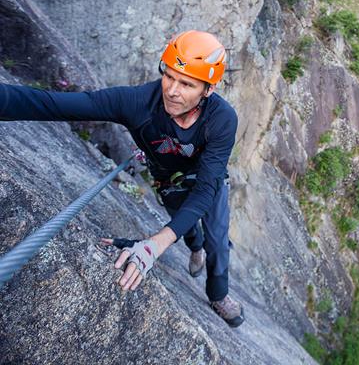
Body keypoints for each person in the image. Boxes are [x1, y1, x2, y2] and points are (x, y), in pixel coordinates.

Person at [0, 30, 244, 327]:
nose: (172, 91)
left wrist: (154, 246)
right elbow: (55, 104)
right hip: (169, 180)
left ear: (208, 89)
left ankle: (218, 294)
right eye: (168, 76)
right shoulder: (138, 103)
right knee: (187, 226)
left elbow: (206, 189)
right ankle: (194, 247)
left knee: (217, 240)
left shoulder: (222, 118)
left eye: (187, 84)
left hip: (208, 179)